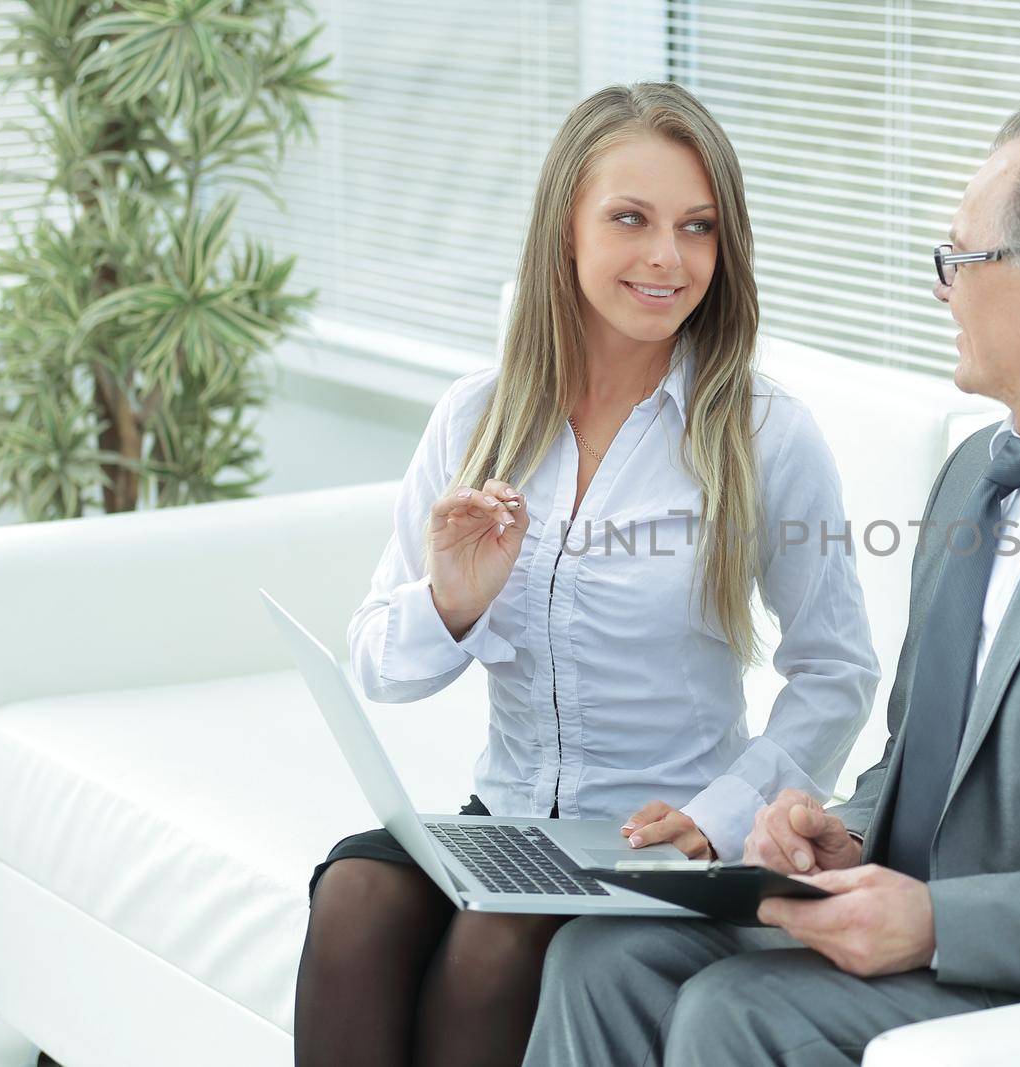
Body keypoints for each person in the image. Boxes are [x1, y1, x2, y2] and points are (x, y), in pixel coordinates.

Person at [522, 97, 1020, 1067]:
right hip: (936, 927)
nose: (942, 289)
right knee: (603, 956)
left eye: (958, 259)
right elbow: (918, 760)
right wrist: (842, 831)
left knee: (736, 1010)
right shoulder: (979, 477)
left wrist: (940, 921)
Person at [292, 82, 879, 1067]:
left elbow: (838, 670)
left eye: (698, 228)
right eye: (631, 219)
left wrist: (718, 815)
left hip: (659, 842)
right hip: (510, 818)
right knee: (355, 899)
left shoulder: (764, 434)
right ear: (564, 228)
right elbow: (381, 672)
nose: (668, 258)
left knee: (493, 943)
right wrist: (453, 599)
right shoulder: (478, 416)